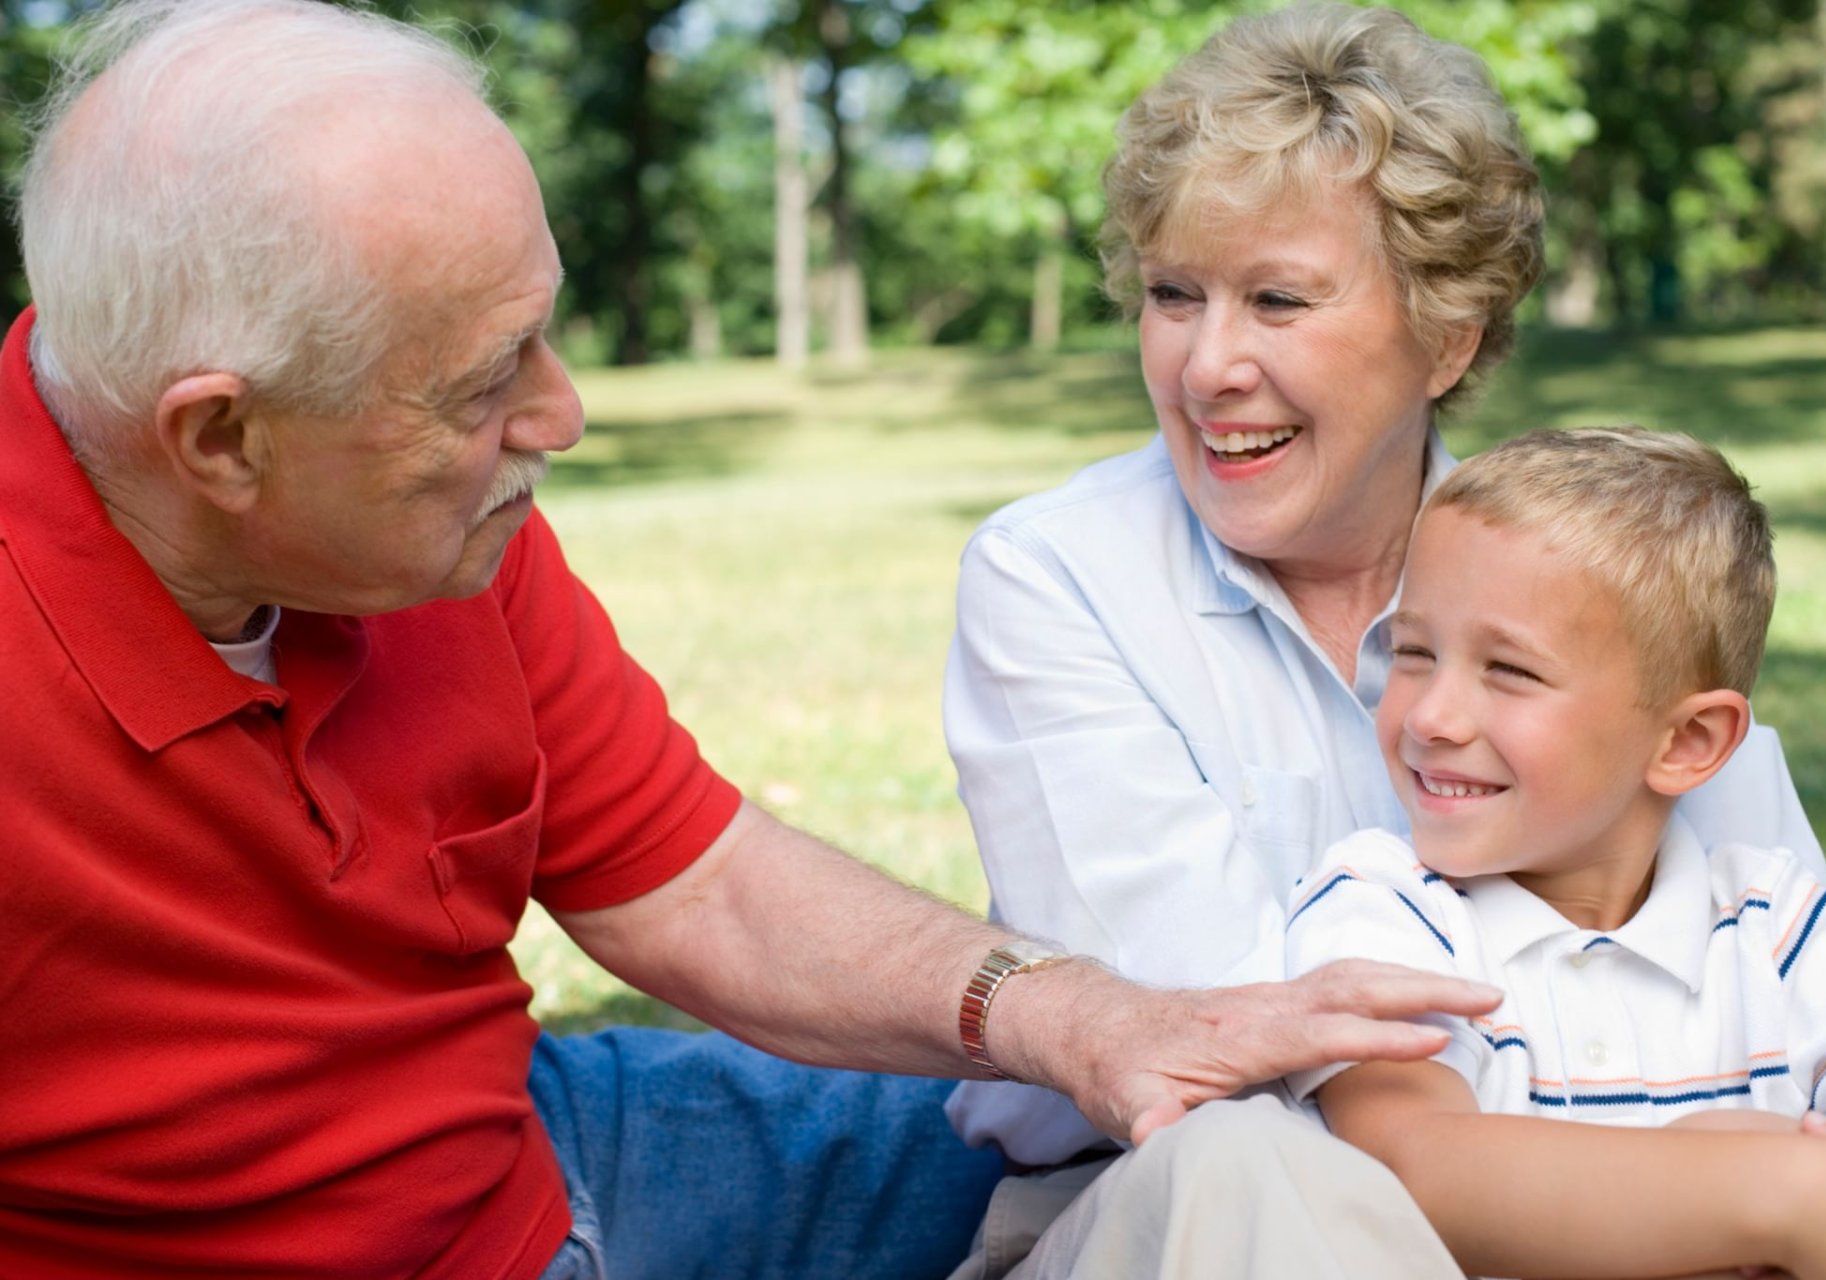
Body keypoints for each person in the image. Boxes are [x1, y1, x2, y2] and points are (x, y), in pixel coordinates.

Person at [0, 3, 1505, 1278]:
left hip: (547, 1137)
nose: (561, 415)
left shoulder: (442, 537)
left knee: (1141, 1147)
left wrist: (1079, 1019)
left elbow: (700, 887)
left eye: (540, 329)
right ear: (222, 437)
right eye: (480, 388)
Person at [943, 5, 1826, 1275]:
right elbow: (1220, 1052)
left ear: (1447, 335)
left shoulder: (1590, 583)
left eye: (1280, 300)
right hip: (1176, 1209)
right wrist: (1767, 1188)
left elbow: (1793, 959)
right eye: (1173, 295)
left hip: (1640, 1214)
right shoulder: (1059, 576)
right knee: (1238, 1160)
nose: (1208, 365)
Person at [1284, 427, 1826, 1279]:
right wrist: (1790, 1188)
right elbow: (1415, 1168)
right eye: (1413, 653)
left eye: (1508, 670)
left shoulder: (1781, 932)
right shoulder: (1383, 907)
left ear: (1689, 741)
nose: (1433, 715)